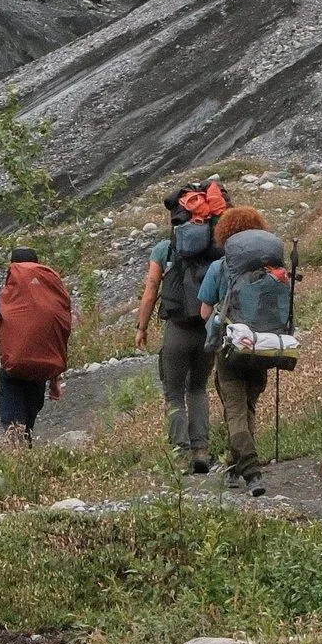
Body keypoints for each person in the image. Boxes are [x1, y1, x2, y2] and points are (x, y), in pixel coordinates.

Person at [196, 203, 284, 491]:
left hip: (230, 349)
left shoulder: (218, 268)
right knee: (248, 407)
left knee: (234, 410)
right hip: (263, 347)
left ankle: (251, 471)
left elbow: (205, 312)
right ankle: (237, 467)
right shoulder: (272, 270)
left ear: (226, 235)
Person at [135, 193, 216, 472]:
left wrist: (142, 328)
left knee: (173, 392)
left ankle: (181, 454)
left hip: (177, 329)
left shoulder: (164, 250)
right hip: (206, 329)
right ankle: (201, 450)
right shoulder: (213, 248)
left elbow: (150, 293)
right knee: (198, 388)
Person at [0, 244, 73, 444]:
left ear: (12, 268)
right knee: (28, 423)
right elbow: (55, 339)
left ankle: (18, 463)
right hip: (40, 370)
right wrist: (54, 380)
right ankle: (28, 459)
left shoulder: (3, 297)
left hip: (11, 368)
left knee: (14, 423)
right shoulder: (51, 297)